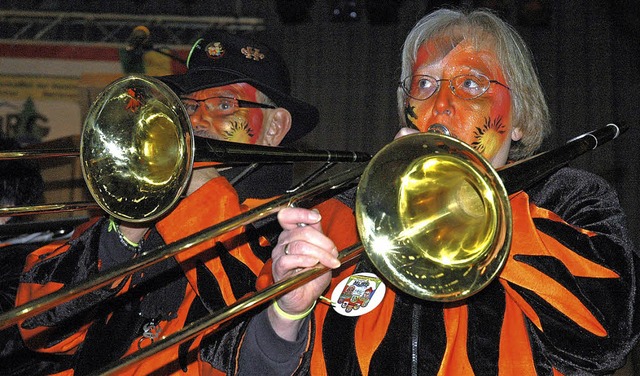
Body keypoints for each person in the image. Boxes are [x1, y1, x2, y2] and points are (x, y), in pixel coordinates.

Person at [221, 8, 640, 375]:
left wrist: (479, 206)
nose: (440, 104)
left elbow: (607, 339)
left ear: (521, 121)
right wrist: (284, 315)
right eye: (423, 84)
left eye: (472, 84)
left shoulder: (569, 199)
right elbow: (247, 365)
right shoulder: (335, 212)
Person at [11, 31, 329, 375]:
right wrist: (126, 231)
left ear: (274, 127)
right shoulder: (148, 205)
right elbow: (39, 327)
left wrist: (201, 190)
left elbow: (249, 318)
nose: (194, 121)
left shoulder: (294, 230)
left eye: (224, 105)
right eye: (189, 106)